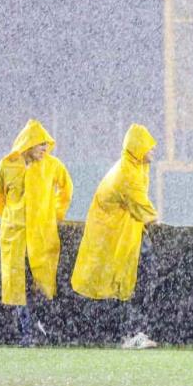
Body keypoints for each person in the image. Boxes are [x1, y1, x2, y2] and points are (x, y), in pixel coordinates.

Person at [71, 124, 160, 349]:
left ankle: (132, 332)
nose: (153, 151)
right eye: (149, 147)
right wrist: (156, 221)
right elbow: (143, 209)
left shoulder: (132, 167)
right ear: (138, 148)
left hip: (125, 233)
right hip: (118, 236)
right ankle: (132, 333)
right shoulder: (127, 174)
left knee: (133, 280)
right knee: (135, 281)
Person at [0, 118, 73, 347]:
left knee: (40, 282)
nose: (45, 149)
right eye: (41, 144)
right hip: (16, 235)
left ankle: (36, 328)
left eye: (46, 145)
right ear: (28, 145)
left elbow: (66, 188)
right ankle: (27, 332)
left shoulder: (53, 166)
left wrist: (56, 214)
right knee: (19, 285)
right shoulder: (7, 165)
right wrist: (11, 219)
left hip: (40, 234)